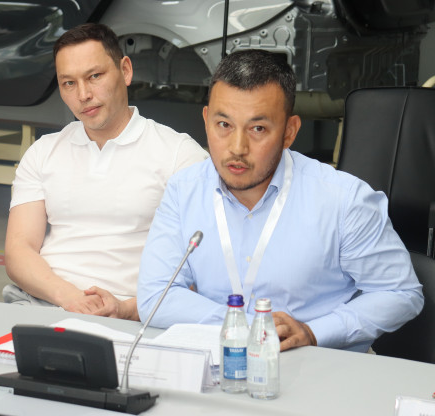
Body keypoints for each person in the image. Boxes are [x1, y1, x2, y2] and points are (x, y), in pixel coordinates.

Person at [137, 49, 424, 352]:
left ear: (289, 132)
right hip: (220, 364)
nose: (237, 147)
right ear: (207, 120)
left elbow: (401, 293)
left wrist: (314, 332)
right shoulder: (184, 191)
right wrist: (251, 328)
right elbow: (156, 296)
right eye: (224, 125)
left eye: (258, 129)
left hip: (318, 365)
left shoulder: (343, 200)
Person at [3, 23, 208, 320]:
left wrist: (127, 310)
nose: (83, 94)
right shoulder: (43, 151)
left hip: (134, 315)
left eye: (94, 76)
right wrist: (71, 298)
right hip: (43, 303)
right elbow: (19, 250)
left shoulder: (180, 155)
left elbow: (201, 270)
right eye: (68, 83)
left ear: (125, 71)